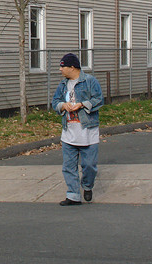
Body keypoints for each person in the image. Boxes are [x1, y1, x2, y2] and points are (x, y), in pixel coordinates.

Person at [51, 52, 103, 205]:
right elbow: (55, 102)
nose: (60, 70)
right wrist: (62, 106)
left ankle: (87, 186)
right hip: (68, 132)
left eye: (63, 67)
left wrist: (82, 104)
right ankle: (73, 195)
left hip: (88, 131)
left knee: (89, 165)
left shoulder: (90, 81)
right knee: (68, 166)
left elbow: (98, 99)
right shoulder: (62, 85)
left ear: (72, 67)